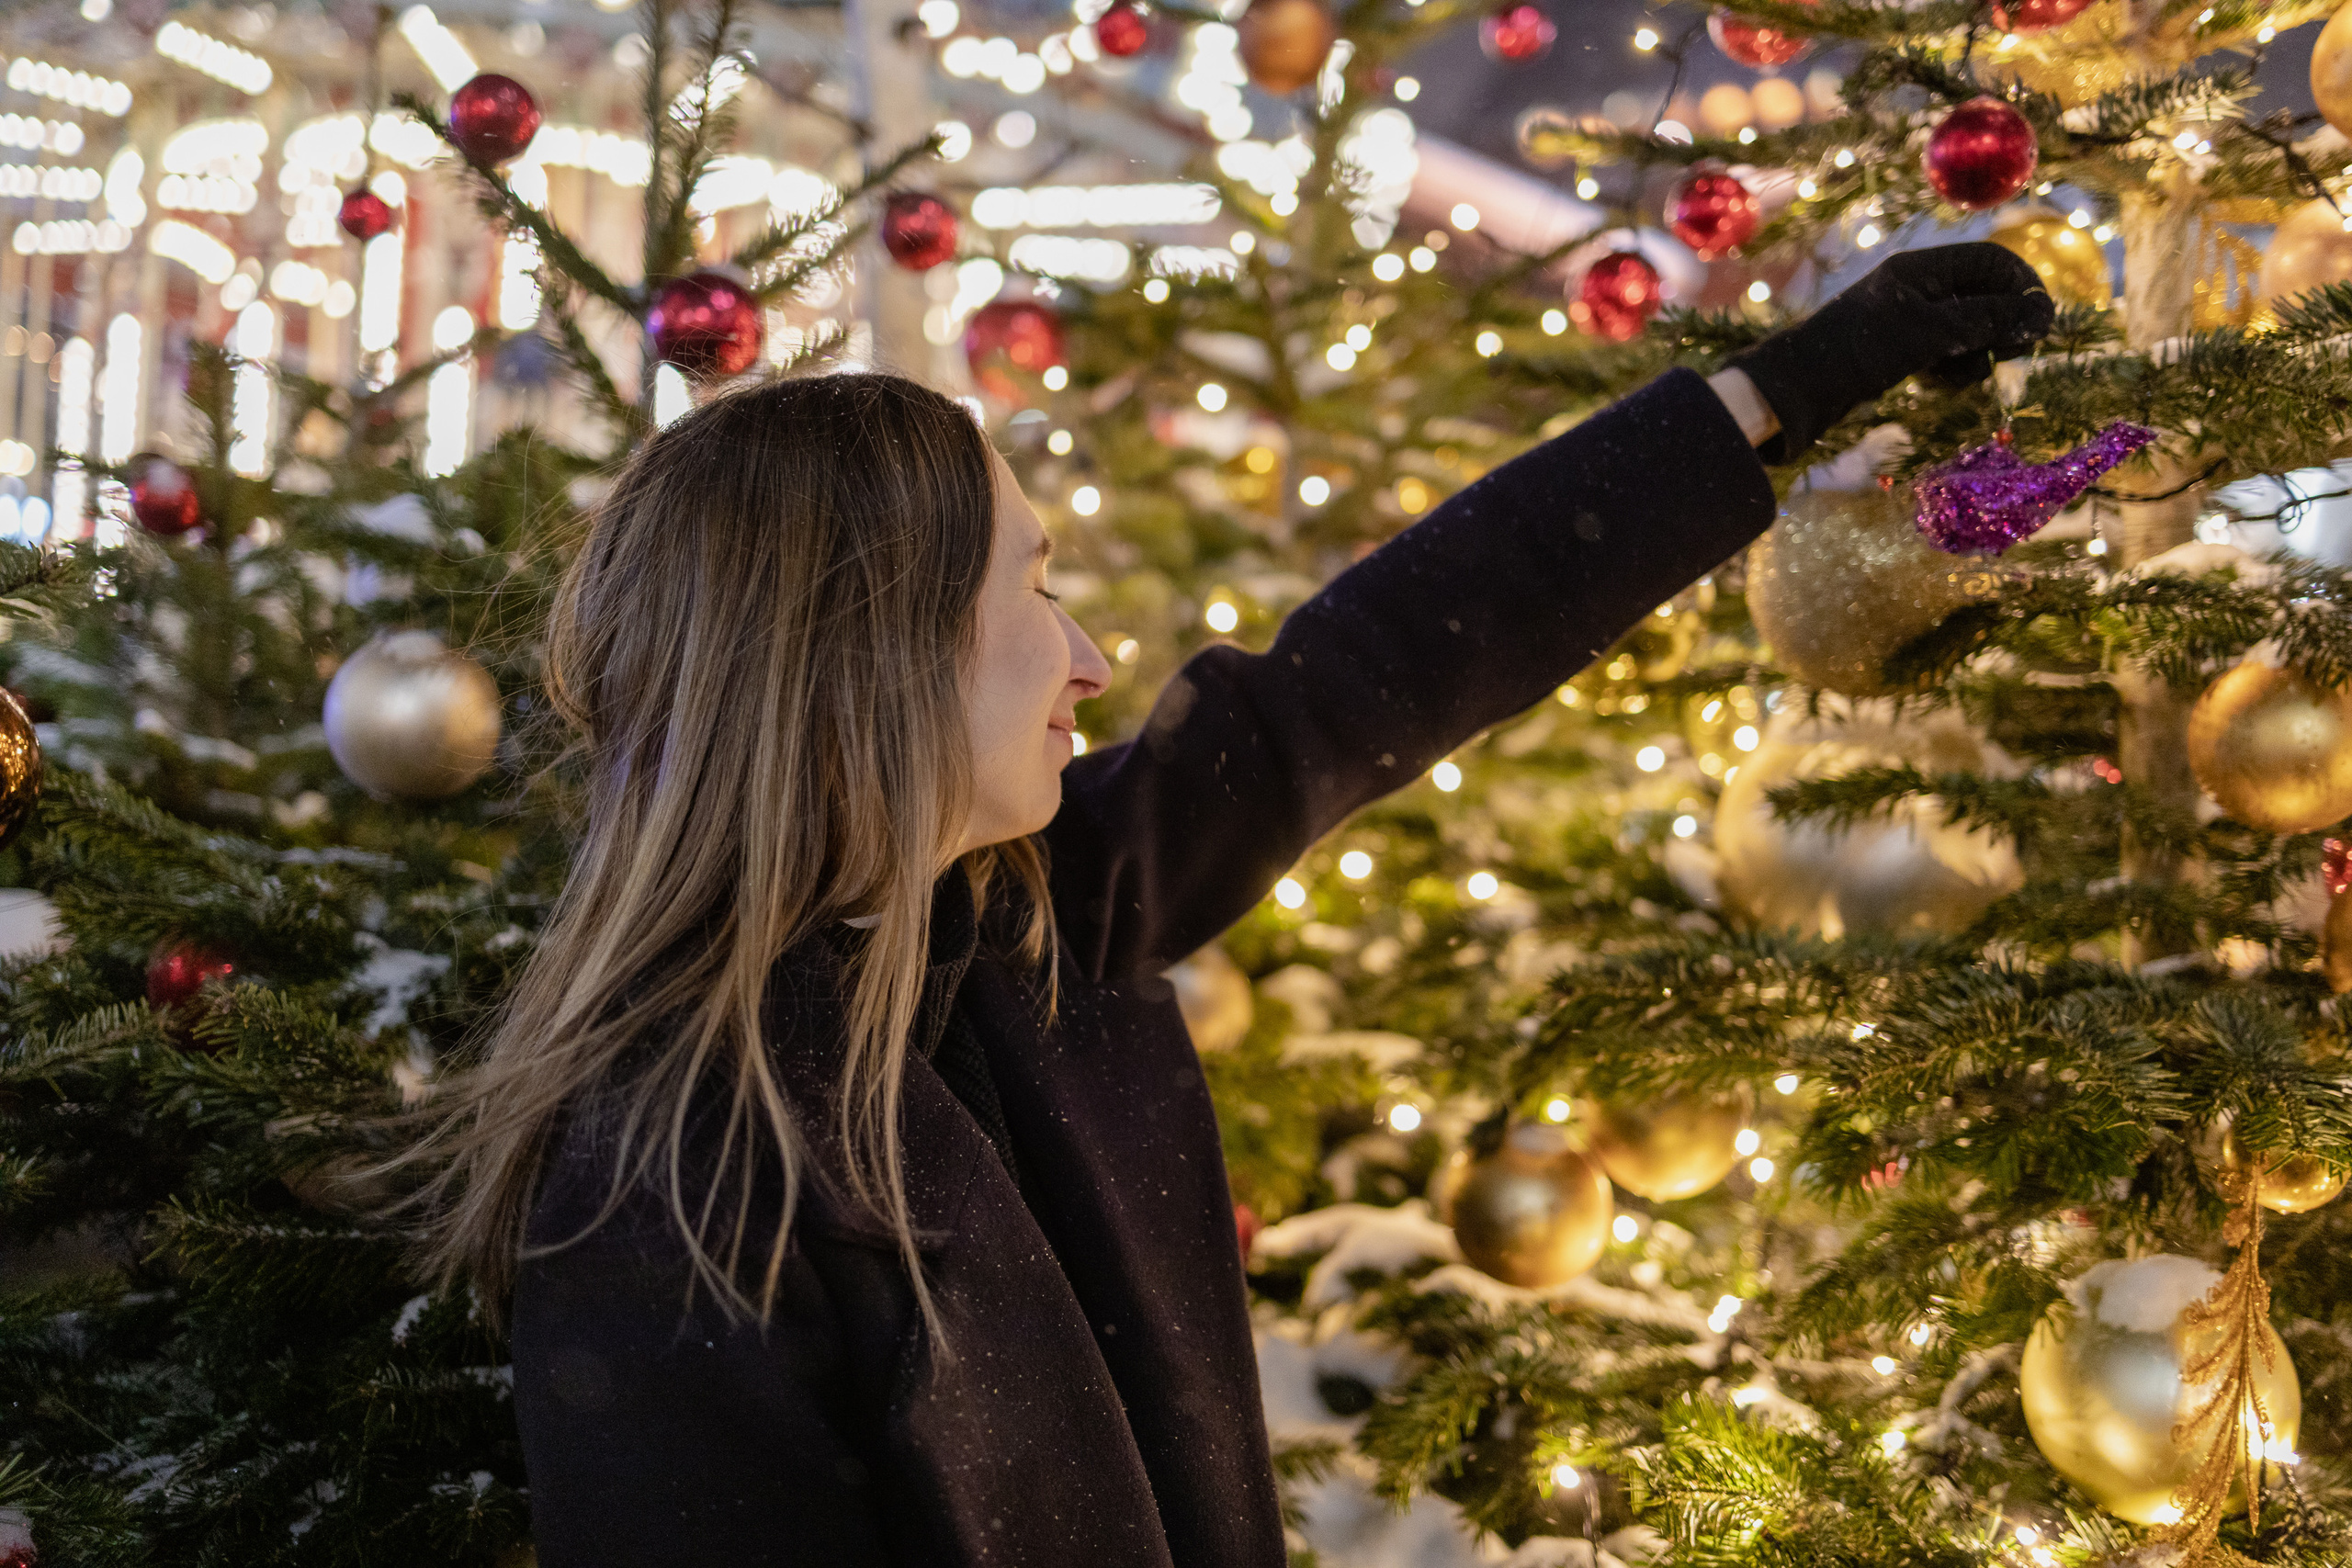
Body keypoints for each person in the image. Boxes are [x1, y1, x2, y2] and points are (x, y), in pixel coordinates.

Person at [411, 243, 2052, 1566]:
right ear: (880, 652)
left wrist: (1776, 394)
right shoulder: (670, 1185)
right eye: (1034, 590)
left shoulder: (1031, 923)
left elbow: (1379, 662)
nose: (1089, 660)